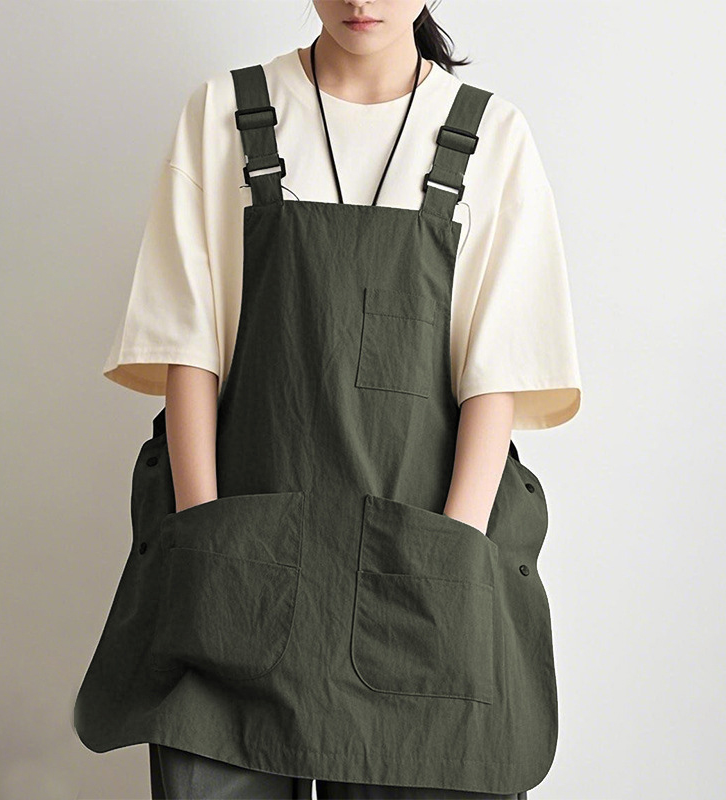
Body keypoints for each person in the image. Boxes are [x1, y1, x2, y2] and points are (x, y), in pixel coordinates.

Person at [74, 2, 583, 798]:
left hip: (423, 575)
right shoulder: (224, 112)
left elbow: (497, 375)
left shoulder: (492, 136)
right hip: (237, 563)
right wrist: (206, 543)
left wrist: (448, 562)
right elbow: (188, 349)